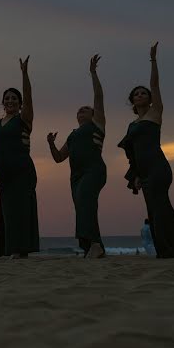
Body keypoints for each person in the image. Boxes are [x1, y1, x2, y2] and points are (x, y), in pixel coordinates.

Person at [118, 43, 174, 258]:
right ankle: (169, 249)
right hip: (144, 170)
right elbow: (131, 154)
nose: (141, 95)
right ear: (132, 100)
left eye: (144, 93)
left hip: (158, 167)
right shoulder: (132, 125)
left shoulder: (155, 114)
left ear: (150, 99)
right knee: (154, 210)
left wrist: (153, 60)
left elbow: (155, 84)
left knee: (159, 208)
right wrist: (136, 176)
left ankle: (173, 251)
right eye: (137, 94)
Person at [47, 55, 108, 259]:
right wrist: (50, 144)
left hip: (94, 171)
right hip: (76, 176)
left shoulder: (96, 125)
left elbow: (98, 97)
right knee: (83, 208)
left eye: (86, 109)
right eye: (79, 110)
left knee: (86, 203)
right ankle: (92, 246)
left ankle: (94, 245)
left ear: (93, 114)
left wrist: (93, 73)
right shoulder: (73, 135)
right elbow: (58, 158)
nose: (82, 111)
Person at [0, 56, 39, 258]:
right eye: (7, 98)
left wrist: (24, 74)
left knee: (22, 209)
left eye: (14, 98)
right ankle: (12, 249)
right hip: (3, 172)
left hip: (22, 170)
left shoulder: (24, 119)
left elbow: (28, 95)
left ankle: (21, 250)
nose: (10, 101)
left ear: (20, 103)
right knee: (8, 211)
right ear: (3, 102)